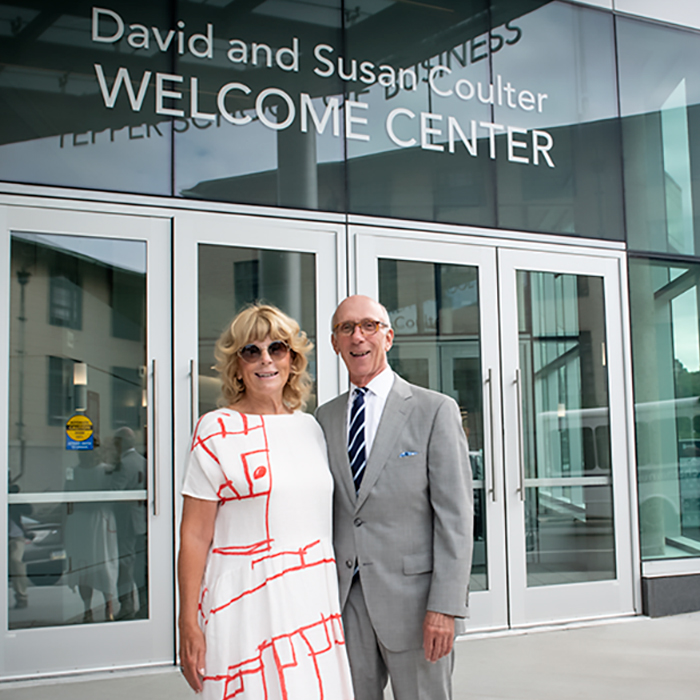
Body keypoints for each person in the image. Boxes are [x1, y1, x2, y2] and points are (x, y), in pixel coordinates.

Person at [177, 304, 354, 700]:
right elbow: (194, 533)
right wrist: (187, 620)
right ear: (236, 365)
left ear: (292, 359)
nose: (265, 360)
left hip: (312, 601)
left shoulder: (311, 427)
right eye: (250, 351)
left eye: (277, 348)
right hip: (244, 607)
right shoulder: (216, 429)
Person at [315, 295, 474, 700]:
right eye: (346, 328)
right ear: (335, 343)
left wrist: (446, 606)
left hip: (417, 607)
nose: (358, 336)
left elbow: (455, 519)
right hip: (346, 604)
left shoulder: (434, 410)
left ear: (389, 336)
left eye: (369, 325)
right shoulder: (324, 418)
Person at [65, 443, 119, 623]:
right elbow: (67, 496)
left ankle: (107, 607)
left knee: (103, 564)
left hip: (99, 521)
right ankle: (87, 609)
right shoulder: (73, 472)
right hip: (82, 523)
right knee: (84, 566)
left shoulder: (107, 470)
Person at [110, 426, 147, 620]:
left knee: (125, 567)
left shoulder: (123, 464)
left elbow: (116, 491)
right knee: (140, 568)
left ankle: (126, 606)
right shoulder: (143, 462)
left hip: (126, 522)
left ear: (120, 443)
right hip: (141, 522)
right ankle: (144, 605)